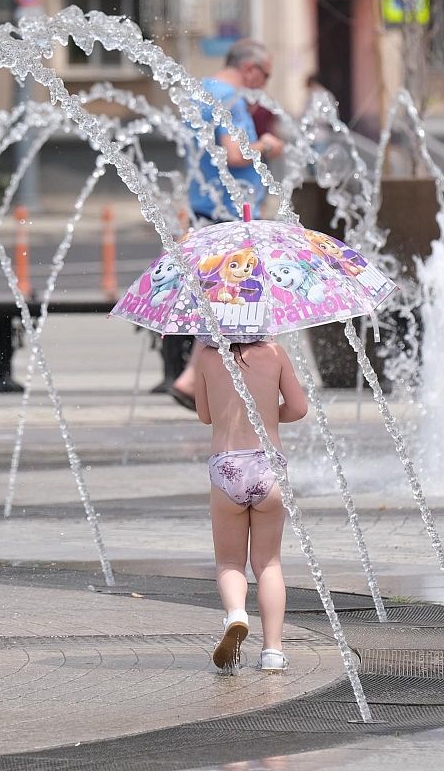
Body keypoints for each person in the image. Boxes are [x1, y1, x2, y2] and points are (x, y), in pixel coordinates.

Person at [163, 39, 285, 405]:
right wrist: (266, 144)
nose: (263, 86)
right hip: (231, 214)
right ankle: (192, 379)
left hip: (205, 209)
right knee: (237, 302)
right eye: (265, 76)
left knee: (223, 301)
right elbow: (236, 154)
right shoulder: (230, 99)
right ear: (250, 69)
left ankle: (199, 379)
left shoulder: (200, 92)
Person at [194, 334, 307, 671]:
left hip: (226, 465)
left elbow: (204, 415)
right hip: (268, 468)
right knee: (269, 564)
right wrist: (269, 414)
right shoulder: (274, 352)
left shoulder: (207, 356)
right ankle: (273, 651)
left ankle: (236, 614)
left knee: (230, 562)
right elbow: (299, 408)